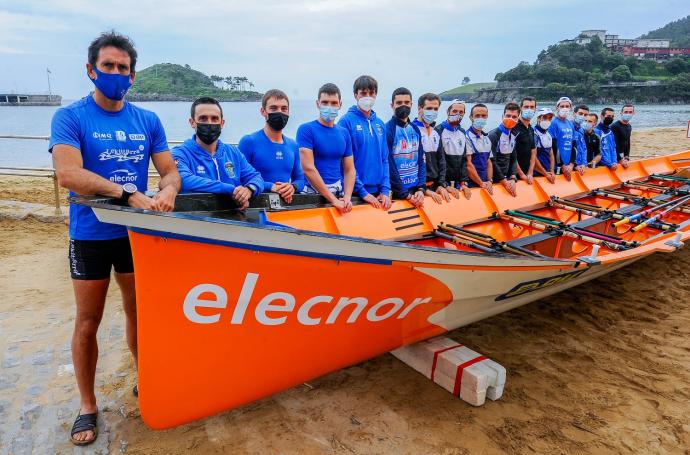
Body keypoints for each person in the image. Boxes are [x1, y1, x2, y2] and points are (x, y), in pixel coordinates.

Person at [49, 31, 180, 446]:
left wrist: (167, 192)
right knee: (88, 321)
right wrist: (126, 193)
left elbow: (170, 171)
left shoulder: (147, 120)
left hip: (135, 235)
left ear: (133, 75)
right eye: (108, 66)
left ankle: (145, 376)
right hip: (89, 235)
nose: (116, 73)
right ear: (91, 70)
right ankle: (87, 405)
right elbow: (67, 174)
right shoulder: (71, 117)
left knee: (139, 310)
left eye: (123, 68)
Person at [172, 97, 264, 209]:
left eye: (214, 119)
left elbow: (255, 177)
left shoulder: (233, 152)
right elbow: (184, 180)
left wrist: (249, 189)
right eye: (203, 118)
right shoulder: (180, 153)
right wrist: (230, 190)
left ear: (222, 123)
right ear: (192, 122)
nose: (209, 123)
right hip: (197, 219)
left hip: (234, 220)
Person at [296, 83, 356, 214]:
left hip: (338, 192)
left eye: (334, 103)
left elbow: (350, 169)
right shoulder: (306, 129)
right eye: (325, 102)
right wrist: (333, 200)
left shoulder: (344, 133)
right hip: (312, 195)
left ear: (340, 104)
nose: (329, 107)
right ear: (318, 104)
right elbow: (308, 168)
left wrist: (347, 197)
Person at [238, 89, 304, 204]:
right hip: (256, 206)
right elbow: (239, 177)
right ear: (263, 111)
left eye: (284, 109)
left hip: (283, 206)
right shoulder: (249, 141)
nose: (280, 112)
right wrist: (270, 186)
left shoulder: (292, 145)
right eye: (273, 108)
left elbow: (300, 179)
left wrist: (292, 187)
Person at [338, 75, 391, 210]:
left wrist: (385, 191)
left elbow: (384, 159)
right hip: (355, 194)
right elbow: (344, 163)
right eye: (363, 93)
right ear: (356, 95)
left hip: (378, 194)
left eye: (371, 93)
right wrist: (363, 192)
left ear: (376, 95)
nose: (367, 97)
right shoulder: (345, 122)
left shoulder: (380, 124)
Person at [386, 87, 426, 206]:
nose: (403, 105)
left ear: (411, 104)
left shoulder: (415, 129)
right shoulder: (388, 129)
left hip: (416, 189)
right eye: (399, 103)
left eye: (406, 102)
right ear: (392, 105)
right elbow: (389, 165)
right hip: (398, 193)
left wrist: (421, 188)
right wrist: (405, 194)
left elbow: (421, 160)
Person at [465, 104, 516, 196]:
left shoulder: (486, 138)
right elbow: (468, 165)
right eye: (477, 116)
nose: (480, 118)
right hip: (472, 184)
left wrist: (489, 180)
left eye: (483, 116)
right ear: (471, 117)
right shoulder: (466, 137)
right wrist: (481, 183)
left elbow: (489, 162)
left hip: (485, 183)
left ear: (487, 117)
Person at [412, 92, 453, 203]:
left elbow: (441, 160)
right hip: (418, 188)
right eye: (429, 108)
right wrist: (421, 188)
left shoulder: (435, 132)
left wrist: (441, 184)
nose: (433, 112)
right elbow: (410, 165)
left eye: (436, 109)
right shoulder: (411, 130)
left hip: (434, 185)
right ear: (420, 108)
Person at [436, 100, 470, 199]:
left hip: (458, 182)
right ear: (448, 112)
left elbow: (464, 160)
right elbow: (438, 161)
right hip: (443, 182)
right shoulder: (439, 130)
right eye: (454, 111)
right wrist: (443, 184)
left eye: (461, 112)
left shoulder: (462, 132)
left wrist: (464, 183)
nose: (457, 114)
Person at [488, 102, 520, 188]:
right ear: (502, 116)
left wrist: (513, 176)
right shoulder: (493, 135)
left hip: (507, 178)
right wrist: (504, 181)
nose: (510, 119)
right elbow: (492, 161)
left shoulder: (514, 134)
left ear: (518, 119)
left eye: (514, 117)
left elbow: (513, 158)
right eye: (508, 116)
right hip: (494, 180)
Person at [548, 96, 576, 180]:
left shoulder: (570, 124)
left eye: (567, 106)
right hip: (558, 165)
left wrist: (571, 164)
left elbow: (574, 146)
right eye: (562, 106)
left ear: (571, 108)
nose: (565, 108)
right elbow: (553, 146)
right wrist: (562, 165)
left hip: (569, 165)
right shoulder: (553, 123)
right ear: (557, 108)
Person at [513, 96, 537, 184]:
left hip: (528, 174)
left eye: (532, 107)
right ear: (521, 108)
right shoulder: (514, 128)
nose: (529, 109)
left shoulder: (531, 129)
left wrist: (530, 172)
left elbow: (533, 152)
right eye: (526, 107)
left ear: (535, 109)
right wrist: (522, 174)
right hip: (515, 175)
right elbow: (511, 155)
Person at [533, 108, 557, 183]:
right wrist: (545, 173)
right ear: (539, 118)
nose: (547, 120)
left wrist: (552, 171)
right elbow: (533, 158)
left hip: (548, 172)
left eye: (550, 118)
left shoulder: (548, 135)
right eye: (545, 117)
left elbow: (551, 155)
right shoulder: (534, 134)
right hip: (537, 174)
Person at [611, 103, 634, 169]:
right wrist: (620, 159)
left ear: (633, 113)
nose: (628, 114)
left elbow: (627, 142)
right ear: (621, 113)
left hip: (622, 154)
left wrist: (627, 156)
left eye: (630, 112)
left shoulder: (629, 126)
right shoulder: (615, 126)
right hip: (615, 156)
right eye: (626, 112)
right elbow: (614, 145)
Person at [572, 105, 590, 175]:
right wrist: (575, 165)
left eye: (585, 115)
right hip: (572, 166)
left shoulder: (581, 129)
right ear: (574, 114)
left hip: (581, 166)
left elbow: (584, 149)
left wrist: (584, 164)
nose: (583, 116)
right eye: (580, 114)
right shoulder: (569, 128)